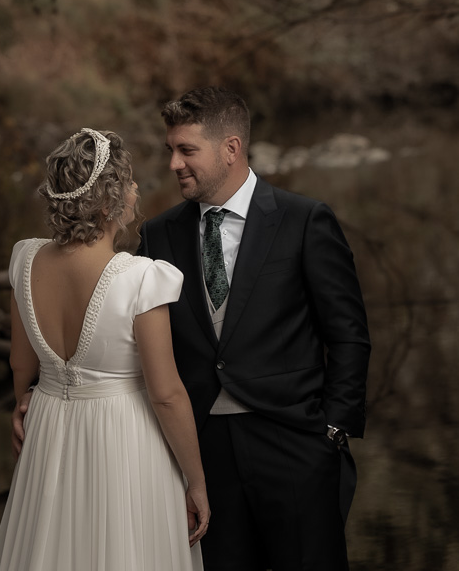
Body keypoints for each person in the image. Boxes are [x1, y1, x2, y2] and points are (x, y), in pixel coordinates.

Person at [139, 87, 371, 571]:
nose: (174, 164)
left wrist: (331, 429)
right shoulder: (158, 235)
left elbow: (347, 333)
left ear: (231, 148)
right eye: (171, 151)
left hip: (294, 444)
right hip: (203, 455)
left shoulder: (304, 220)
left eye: (187, 151)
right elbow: (133, 337)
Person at [0, 127, 210, 571]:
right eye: (127, 183)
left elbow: (20, 362)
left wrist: (21, 403)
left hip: (49, 426)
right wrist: (197, 481)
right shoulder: (140, 278)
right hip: (125, 438)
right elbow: (166, 394)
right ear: (108, 202)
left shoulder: (26, 260)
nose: (135, 190)